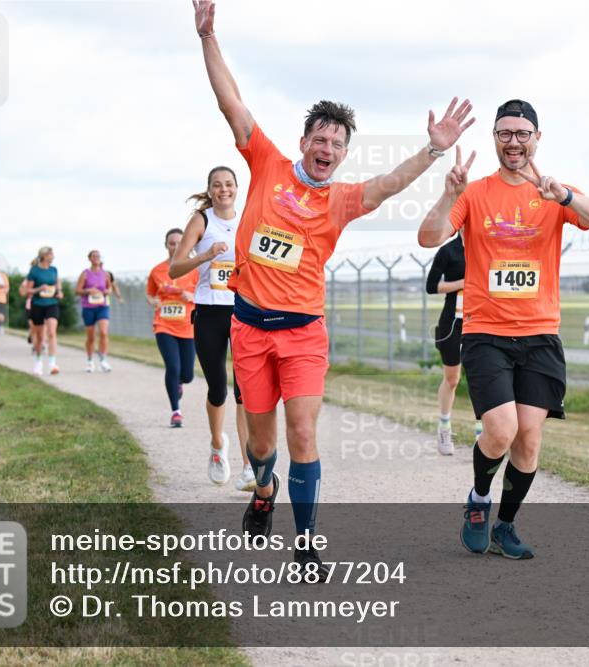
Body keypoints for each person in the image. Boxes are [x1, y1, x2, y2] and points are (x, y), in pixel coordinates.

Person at [192, 0, 474, 575]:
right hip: (248, 329)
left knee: (302, 433)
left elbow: (392, 184)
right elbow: (231, 103)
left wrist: (436, 149)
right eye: (320, 140)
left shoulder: (342, 199)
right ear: (303, 142)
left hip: (303, 336)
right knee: (263, 446)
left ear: (345, 153)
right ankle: (263, 488)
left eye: (337, 145)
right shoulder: (267, 162)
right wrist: (208, 36)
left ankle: (306, 544)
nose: (327, 151)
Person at [418, 99, 589, 559]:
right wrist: (449, 193)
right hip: (486, 332)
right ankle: (478, 501)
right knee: (502, 430)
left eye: (522, 134)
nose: (514, 142)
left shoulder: (553, 192)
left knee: (529, 438)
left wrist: (563, 196)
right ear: (494, 139)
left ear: (536, 139)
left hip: (541, 334)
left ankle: (505, 525)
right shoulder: (476, 192)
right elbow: (429, 237)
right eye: (505, 133)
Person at [169, 165, 253, 491]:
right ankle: (218, 446)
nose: (223, 190)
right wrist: (205, 255)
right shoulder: (201, 221)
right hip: (208, 312)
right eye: (217, 185)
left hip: (243, 311)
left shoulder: (247, 220)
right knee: (217, 387)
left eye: (229, 184)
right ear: (210, 189)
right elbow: (176, 268)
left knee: (245, 391)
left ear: (236, 188)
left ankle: (249, 466)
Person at [425, 231, 482, 455]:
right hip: (452, 323)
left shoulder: (487, 245)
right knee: (453, 379)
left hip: (480, 320)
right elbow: (431, 286)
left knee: (480, 377)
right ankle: (445, 426)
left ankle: (482, 435)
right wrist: (463, 283)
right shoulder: (449, 251)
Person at [147, 228, 200, 428]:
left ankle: (179, 384)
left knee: (187, 374)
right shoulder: (157, 270)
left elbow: (204, 294)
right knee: (173, 367)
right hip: (164, 325)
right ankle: (176, 412)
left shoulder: (195, 270)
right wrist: (153, 301)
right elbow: (150, 295)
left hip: (188, 326)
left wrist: (192, 296)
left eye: (179, 242)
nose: (176, 247)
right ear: (166, 245)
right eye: (172, 243)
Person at [22, 247, 62, 375]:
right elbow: (27, 291)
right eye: (51, 254)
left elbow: (57, 285)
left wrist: (59, 292)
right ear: (44, 256)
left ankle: (52, 364)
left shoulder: (54, 270)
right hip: (38, 305)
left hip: (52, 304)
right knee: (39, 337)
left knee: (51, 332)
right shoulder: (34, 271)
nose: (53, 257)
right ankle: (38, 362)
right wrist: (39, 289)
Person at [77, 250, 113, 373]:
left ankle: (103, 360)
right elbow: (77, 290)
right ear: (89, 258)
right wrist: (88, 291)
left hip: (102, 306)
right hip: (88, 307)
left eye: (98, 256)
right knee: (91, 336)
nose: (96, 258)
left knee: (103, 332)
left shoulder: (105, 274)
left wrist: (108, 291)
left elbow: (109, 288)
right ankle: (90, 361)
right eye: (94, 256)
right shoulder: (85, 274)